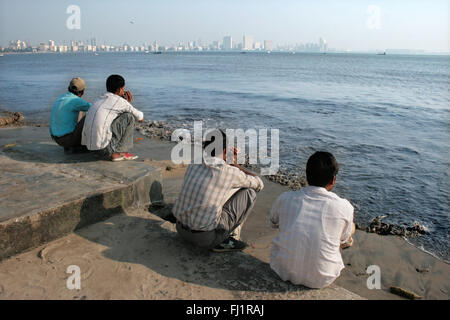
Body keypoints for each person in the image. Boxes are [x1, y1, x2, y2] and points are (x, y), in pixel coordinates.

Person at [269, 151, 355, 289]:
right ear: (333, 180)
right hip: (323, 278)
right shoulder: (345, 207)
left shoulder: (285, 198)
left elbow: (273, 222)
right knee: (349, 229)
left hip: (281, 269)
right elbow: (343, 239)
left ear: (306, 176)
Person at [172, 129, 264, 252]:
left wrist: (225, 159)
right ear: (225, 151)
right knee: (250, 192)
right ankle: (226, 238)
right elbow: (259, 184)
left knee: (217, 189)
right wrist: (234, 164)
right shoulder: (228, 172)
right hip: (204, 239)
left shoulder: (194, 162)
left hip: (180, 228)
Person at [82, 74, 144, 161]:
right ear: (120, 89)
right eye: (123, 89)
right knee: (129, 117)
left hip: (90, 148)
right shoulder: (120, 101)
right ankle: (120, 152)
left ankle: (112, 150)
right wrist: (128, 103)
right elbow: (140, 118)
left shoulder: (99, 98)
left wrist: (125, 103)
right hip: (104, 149)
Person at [50, 77, 91, 153]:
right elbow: (95, 108)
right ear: (83, 91)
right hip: (66, 139)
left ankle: (71, 144)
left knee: (81, 111)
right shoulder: (75, 100)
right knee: (91, 115)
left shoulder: (62, 97)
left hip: (56, 138)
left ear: (69, 88)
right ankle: (78, 145)